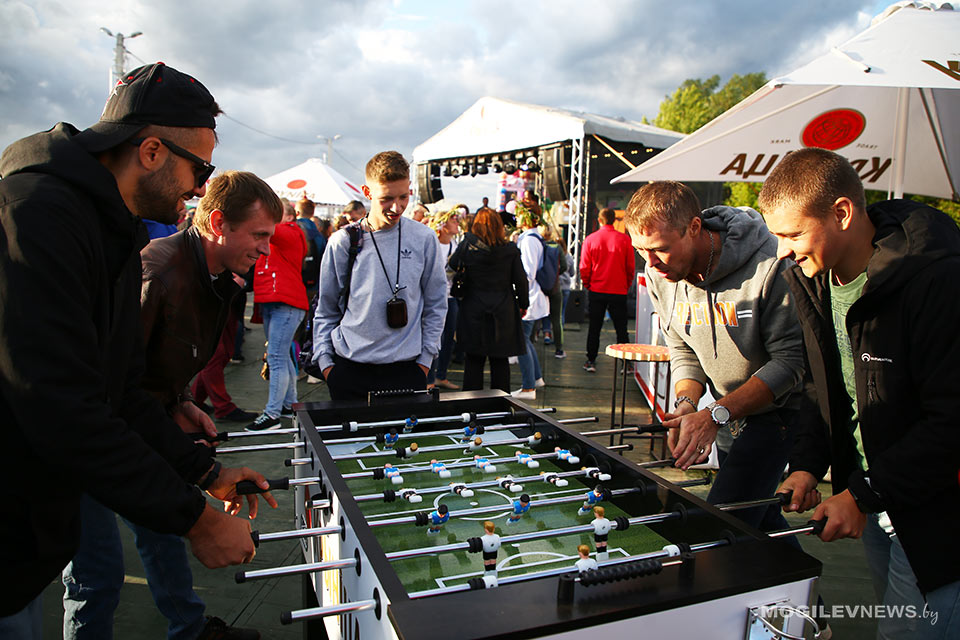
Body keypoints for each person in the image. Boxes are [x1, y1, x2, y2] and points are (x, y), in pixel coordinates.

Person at [0, 62, 273, 638]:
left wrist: (207, 472)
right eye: (199, 169)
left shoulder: (112, 228)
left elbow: (120, 389)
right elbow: (61, 405)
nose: (199, 188)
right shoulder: (36, 213)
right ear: (151, 152)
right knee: (91, 580)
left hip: (37, 522)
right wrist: (197, 521)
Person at [759, 148, 960, 639]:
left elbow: (952, 421)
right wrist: (808, 464)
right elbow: (826, 385)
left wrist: (863, 493)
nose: (782, 251)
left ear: (843, 213)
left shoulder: (938, 278)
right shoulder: (814, 277)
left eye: (792, 234)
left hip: (937, 512)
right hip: (877, 499)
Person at [95, 170, 280, 640]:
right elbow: (116, 389)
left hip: (141, 421)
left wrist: (179, 400)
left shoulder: (213, 275)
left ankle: (190, 630)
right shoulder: (157, 273)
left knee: (160, 532)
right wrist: (206, 472)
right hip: (93, 434)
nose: (265, 249)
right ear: (217, 223)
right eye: (259, 235)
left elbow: (152, 366)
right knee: (97, 574)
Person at [623, 181, 805, 541]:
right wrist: (687, 404)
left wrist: (714, 415)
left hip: (778, 412)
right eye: (640, 250)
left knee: (720, 527)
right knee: (755, 520)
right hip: (725, 414)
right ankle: (800, 579)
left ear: (694, 227)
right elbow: (682, 345)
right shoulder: (662, 274)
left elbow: (791, 361)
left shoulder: (770, 263)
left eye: (660, 249)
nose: (650, 263)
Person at [313, 151, 447, 401]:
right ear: (367, 192)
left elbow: (436, 304)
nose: (397, 207)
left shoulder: (424, 238)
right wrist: (326, 365)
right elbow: (326, 308)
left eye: (403, 197)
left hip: (407, 370)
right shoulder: (343, 241)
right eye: (386, 199)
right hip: (349, 370)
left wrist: (425, 361)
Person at [448, 208, 528, 393]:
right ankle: (500, 405)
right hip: (503, 310)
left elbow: (452, 265)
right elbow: (521, 281)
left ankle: (471, 405)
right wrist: (523, 305)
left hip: (473, 308)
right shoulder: (510, 250)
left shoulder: (468, 246)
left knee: (473, 361)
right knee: (500, 361)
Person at [250, 199, 309, 430]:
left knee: (276, 356)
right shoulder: (283, 235)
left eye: (276, 212)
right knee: (281, 357)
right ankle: (287, 405)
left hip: (284, 302)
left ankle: (272, 414)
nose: (270, 217)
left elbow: (265, 229)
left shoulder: (289, 232)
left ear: (290, 217)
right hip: (277, 301)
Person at [580, 208, 635, 373]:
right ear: (614, 220)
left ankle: (591, 360)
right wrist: (626, 284)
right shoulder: (624, 240)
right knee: (621, 328)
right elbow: (630, 267)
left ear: (599, 220)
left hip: (597, 289)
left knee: (594, 327)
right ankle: (626, 363)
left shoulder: (591, 239)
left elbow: (584, 266)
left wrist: (588, 284)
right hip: (618, 290)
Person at [513, 203, 549, 399]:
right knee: (525, 339)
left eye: (519, 214)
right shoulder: (533, 238)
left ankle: (528, 387)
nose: (516, 218)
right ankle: (535, 379)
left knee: (521, 341)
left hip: (529, 297)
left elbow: (527, 274)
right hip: (533, 296)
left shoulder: (528, 241)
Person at [425, 206, 462, 390]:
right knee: (433, 337)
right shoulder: (432, 243)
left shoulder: (456, 245)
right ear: (443, 226)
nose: (457, 223)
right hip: (433, 298)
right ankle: (429, 379)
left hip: (450, 296)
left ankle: (441, 375)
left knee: (449, 337)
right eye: (453, 220)